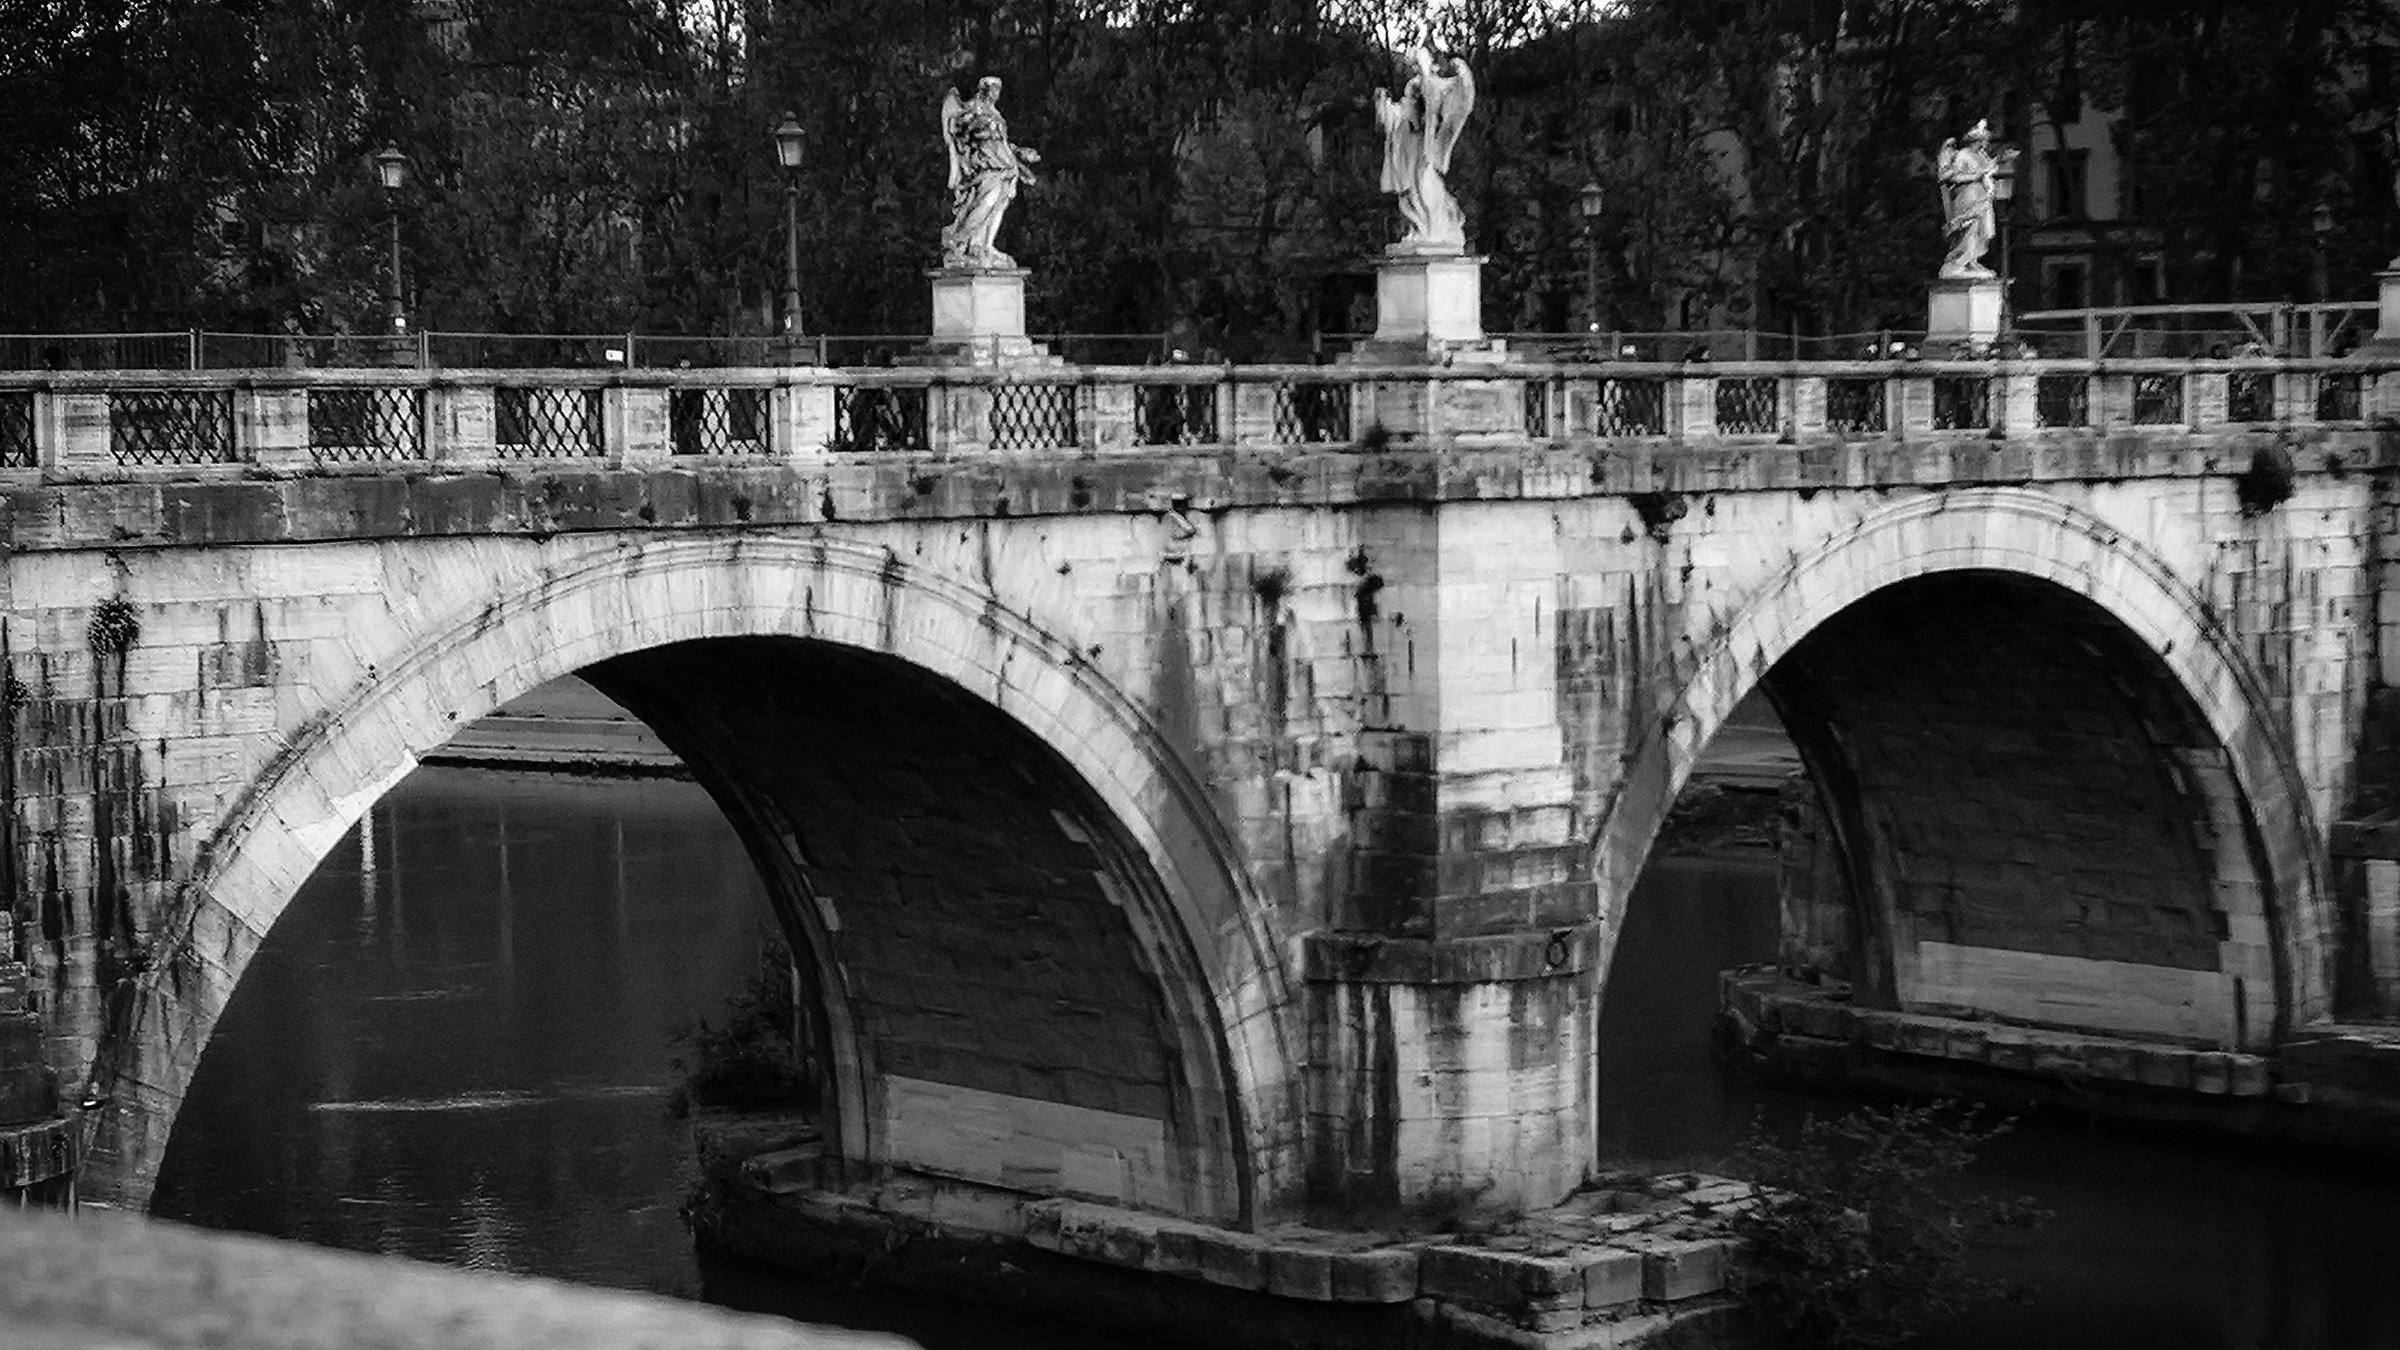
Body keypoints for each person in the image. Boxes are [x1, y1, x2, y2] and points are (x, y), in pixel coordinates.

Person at [1373, 47, 1475, 250]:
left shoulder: (1436, 85)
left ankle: (1433, 229)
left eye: (1415, 65)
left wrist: (1457, 71)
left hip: (1425, 148)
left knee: (1424, 183)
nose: (1413, 69)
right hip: (1408, 148)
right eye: (1411, 66)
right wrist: (1382, 104)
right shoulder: (1412, 89)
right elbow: (1396, 116)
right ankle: (1419, 229)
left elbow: (1456, 100)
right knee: (1409, 191)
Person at [940, 77, 1040, 269]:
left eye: (998, 90)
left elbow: (1000, 143)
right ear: (984, 90)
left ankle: (985, 245)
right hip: (987, 167)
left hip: (1006, 167)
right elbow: (961, 135)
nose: (996, 93)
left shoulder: (995, 113)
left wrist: (1020, 152)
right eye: (993, 90)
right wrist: (974, 128)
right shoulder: (973, 109)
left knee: (998, 207)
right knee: (985, 204)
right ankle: (958, 239)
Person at [1936, 121, 2001, 280]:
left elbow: (1988, 170)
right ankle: (1959, 261)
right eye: (1984, 140)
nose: (1986, 143)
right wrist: (1976, 176)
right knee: (1969, 230)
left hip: (1982, 197)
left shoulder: (1981, 156)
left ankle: (1972, 260)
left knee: (1984, 231)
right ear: (1977, 141)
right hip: (1968, 196)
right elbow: (1953, 177)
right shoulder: (1963, 155)